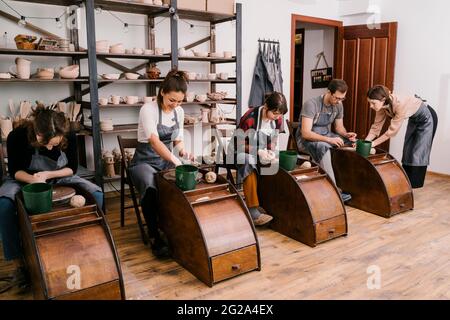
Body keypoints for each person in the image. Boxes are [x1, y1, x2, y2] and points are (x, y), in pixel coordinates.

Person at [0, 106, 103, 292]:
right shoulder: (17, 136)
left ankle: (87, 249)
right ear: (36, 132)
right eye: (45, 142)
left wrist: (47, 174)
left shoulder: (69, 134)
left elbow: (72, 168)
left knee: (96, 195)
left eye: (54, 144)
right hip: (24, 179)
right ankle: (19, 265)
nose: (49, 147)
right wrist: (34, 179)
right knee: (4, 206)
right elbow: (15, 170)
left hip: (59, 176)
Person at [128, 69, 191, 258]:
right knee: (150, 187)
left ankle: (174, 228)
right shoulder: (148, 109)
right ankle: (155, 235)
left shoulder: (179, 111)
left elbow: (177, 139)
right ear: (162, 91)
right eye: (172, 100)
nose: (175, 105)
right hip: (143, 161)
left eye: (179, 101)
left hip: (166, 160)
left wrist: (182, 151)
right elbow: (155, 142)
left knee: (181, 183)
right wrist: (174, 160)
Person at [295, 79, 356, 202]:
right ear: (328, 91)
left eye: (342, 99)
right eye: (337, 98)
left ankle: (350, 184)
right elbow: (306, 133)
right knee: (323, 146)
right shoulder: (311, 104)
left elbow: (339, 128)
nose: (339, 101)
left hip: (326, 135)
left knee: (353, 143)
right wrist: (329, 140)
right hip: (306, 140)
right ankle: (333, 190)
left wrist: (346, 134)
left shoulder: (338, 106)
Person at [231, 92, 288, 226]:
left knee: (277, 162)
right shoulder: (250, 117)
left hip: (261, 151)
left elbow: (273, 139)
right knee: (248, 160)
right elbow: (238, 144)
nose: (277, 117)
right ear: (266, 106)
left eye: (280, 114)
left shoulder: (277, 119)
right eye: (275, 113)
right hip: (240, 151)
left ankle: (270, 203)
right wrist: (258, 151)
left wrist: (271, 151)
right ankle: (252, 210)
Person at [365, 85, 438, 188]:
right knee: (408, 148)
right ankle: (407, 184)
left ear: (383, 99)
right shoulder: (381, 107)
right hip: (414, 119)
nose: (371, 106)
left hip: (427, 118)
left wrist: (373, 143)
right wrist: (365, 142)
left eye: (373, 103)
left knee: (418, 151)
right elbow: (376, 127)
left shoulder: (399, 104)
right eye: (370, 103)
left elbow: (391, 132)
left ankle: (414, 185)